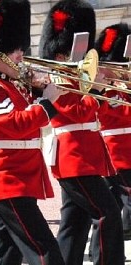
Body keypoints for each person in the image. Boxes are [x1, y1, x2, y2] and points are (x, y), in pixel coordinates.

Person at [0, 1, 65, 264]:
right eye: (15, 50)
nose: (21, 55)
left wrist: (36, 91)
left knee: (6, 252)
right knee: (44, 250)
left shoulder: (8, 85)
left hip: (19, 175)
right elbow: (16, 124)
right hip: (7, 178)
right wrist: (47, 103)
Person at [39, 0, 124, 264]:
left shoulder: (76, 76)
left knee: (74, 222)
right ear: (62, 50)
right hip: (73, 158)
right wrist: (97, 90)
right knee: (107, 212)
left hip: (83, 156)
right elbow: (77, 113)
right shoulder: (58, 78)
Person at [95, 22, 131, 241]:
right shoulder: (105, 89)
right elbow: (119, 114)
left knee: (115, 202)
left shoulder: (122, 85)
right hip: (116, 151)